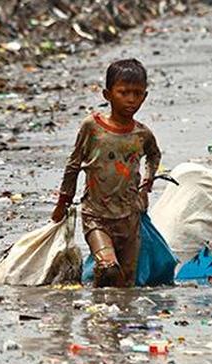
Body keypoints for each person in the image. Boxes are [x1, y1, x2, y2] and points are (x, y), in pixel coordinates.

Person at [51, 59, 162, 287]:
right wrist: (63, 202)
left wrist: (146, 184)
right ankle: (100, 317)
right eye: (123, 92)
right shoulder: (92, 127)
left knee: (126, 283)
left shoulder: (142, 134)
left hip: (130, 218)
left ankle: (114, 315)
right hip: (96, 215)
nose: (131, 99)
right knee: (108, 267)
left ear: (145, 96)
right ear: (107, 94)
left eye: (137, 94)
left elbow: (154, 155)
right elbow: (73, 165)